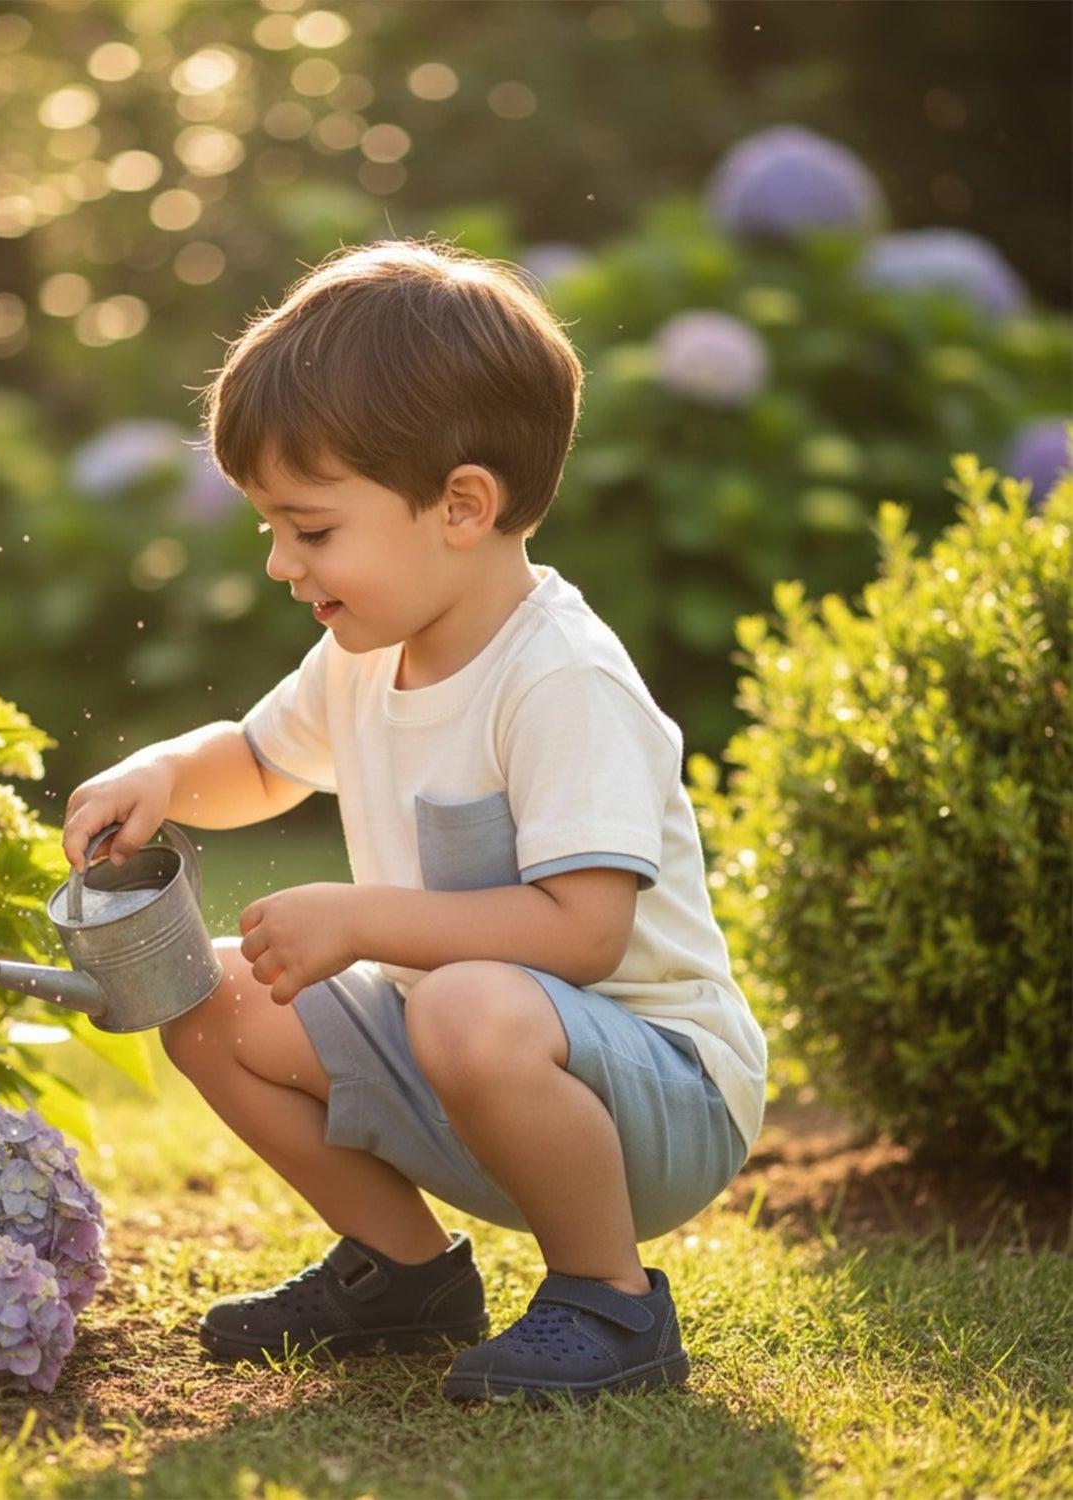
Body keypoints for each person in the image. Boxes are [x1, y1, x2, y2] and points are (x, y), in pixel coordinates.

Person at [62, 240, 767, 1405]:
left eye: (314, 528)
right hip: (467, 1055)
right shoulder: (363, 654)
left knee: (464, 997)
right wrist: (163, 773)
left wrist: (367, 917)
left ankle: (612, 1301)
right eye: (271, 529)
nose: (286, 563)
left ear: (461, 505)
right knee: (198, 990)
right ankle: (406, 1276)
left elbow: (585, 935)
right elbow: (254, 759)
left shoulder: (561, 681)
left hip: (657, 1094)